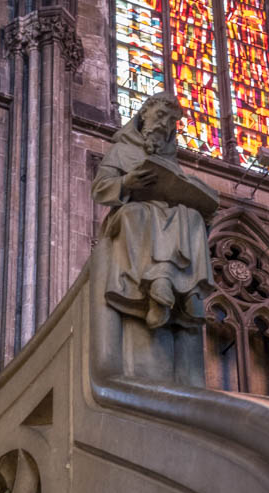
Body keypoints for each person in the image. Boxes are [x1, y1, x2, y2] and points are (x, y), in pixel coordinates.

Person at [92, 92, 217, 329]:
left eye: (171, 121)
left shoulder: (170, 160)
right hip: (133, 209)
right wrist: (127, 182)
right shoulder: (121, 150)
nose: (164, 124)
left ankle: (189, 291)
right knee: (136, 214)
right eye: (160, 115)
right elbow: (100, 188)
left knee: (191, 217)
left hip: (166, 212)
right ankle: (158, 283)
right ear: (144, 114)